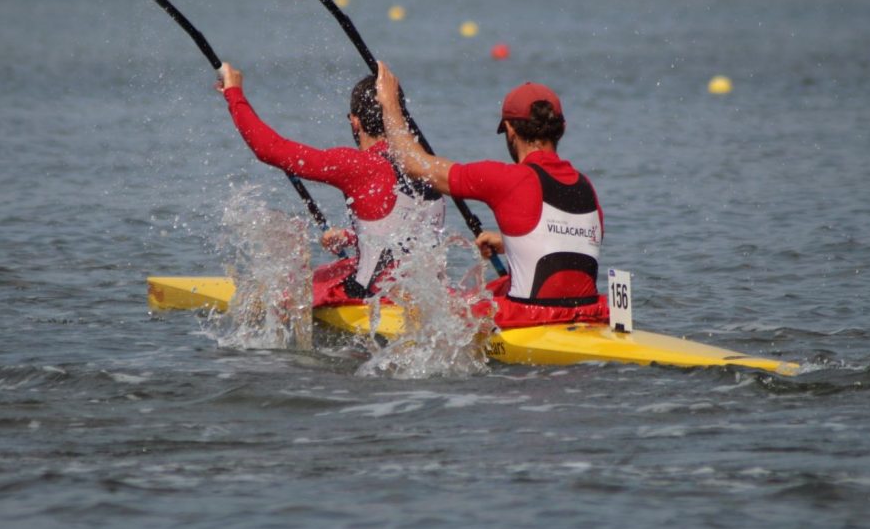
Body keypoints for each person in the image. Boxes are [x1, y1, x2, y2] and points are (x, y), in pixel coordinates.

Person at [375, 62, 606, 329]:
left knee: (437, 306)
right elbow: (570, 243)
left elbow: (412, 163)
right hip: (590, 313)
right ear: (562, 129)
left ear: (510, 130)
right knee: (492, 288)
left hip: (530, 319)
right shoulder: (586, 185)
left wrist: (390, 104)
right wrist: (510, 243)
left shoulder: (509, 179)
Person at [215, 62, 445, 307]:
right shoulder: (431, 167)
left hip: (376, 301)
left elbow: (270, 149)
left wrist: (234, 93)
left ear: (354, 122)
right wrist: (351, 237)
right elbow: (405, 236)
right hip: (430, 300)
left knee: (293, 287)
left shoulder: (358, 165)